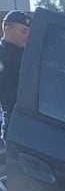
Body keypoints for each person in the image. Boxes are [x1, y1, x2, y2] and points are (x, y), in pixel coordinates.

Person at [0, 10, 31, 140]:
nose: (27, 36)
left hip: (32, 119)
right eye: (23, 31)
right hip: (14, 119)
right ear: (8, 28)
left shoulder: (28, 55)